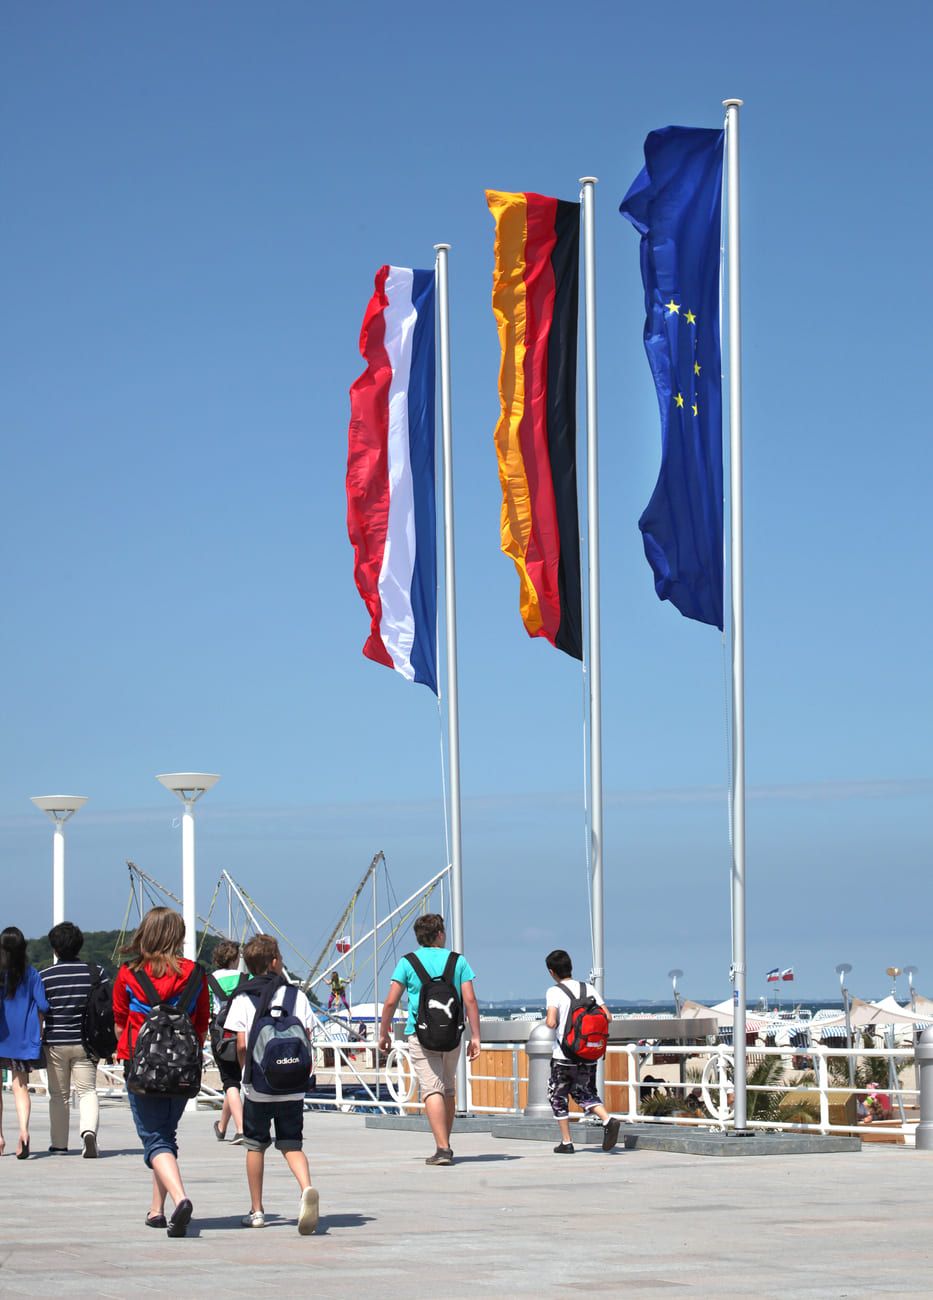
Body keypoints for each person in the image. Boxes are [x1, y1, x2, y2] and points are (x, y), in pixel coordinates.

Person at [113, 907, 209, 1237]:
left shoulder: (129, 974)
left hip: (141, 1068)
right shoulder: (195, 973)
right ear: (178, 936)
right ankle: (157, 1210)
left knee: (154, 1138)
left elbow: (120, 1021)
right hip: (182, 1069)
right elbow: (201, 1022)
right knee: (165, 1135)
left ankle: (181, 1199)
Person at [224, 933, 319, 1234]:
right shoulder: (296, 996)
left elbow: (240, 1044)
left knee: (255, 1146)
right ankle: (306, 1189)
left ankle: (257, 1210)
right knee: (292, 1144)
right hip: (293, 1084)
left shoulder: (242, 997)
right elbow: (308, 1038)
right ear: (275, 961)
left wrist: (246, 1074)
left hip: (259, 1088)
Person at [378, 913, 481, 1166]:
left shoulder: (407, 962)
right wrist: (476, 1036)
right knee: (447, 1087)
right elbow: (470, 1000)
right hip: (452, 1035)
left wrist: (383, 1033)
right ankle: (446, 1143)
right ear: (440, 934)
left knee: (431, 1088)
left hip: (420, 1033)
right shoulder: (458, 961)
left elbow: (391, 1000)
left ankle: (442, 1148)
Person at [544, 948, 620, 1155]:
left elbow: (551, 1022)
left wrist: (549, 1021)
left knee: (557, 1096)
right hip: (588, 1052)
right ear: (570, 967)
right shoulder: (588, 988)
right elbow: (608, 1017)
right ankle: (607, 1119)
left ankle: (566, 1142)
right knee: (584, 1091)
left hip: (564, 1055)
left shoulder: (554, 991)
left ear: (552, 972)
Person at [40, 921, 106, 1157]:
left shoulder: (44, 976)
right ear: (79, 946)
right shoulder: (95, 972)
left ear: (54, 948)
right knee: (87, 1091)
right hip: (86, 1042)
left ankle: (59, 1144)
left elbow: (40, 1009)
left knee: (59, 1095)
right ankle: (88, 1132)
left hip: (56, 1042)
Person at [0, 926, 49, 1159]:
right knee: (21, 1089)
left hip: (1, 1037)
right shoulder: (32, 974)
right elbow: (44, 1006)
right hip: (22, 1041)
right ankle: (24, 1133)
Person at [208, 938, 248, 1144]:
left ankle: (241, 1129)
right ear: (235, 958)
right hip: (243, 1032)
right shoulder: (245, 978)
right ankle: (222, 1126)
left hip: (220, 1034)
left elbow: (207, 1009)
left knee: (230, 1081)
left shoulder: (210, 980)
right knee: (234, 1081)